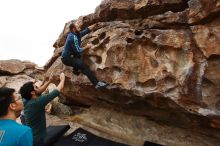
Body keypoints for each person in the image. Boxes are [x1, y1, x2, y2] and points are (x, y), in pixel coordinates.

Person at [19, 73, 65, 146]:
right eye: (35, 87)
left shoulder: (26, 98)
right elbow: (56, 91)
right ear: (32, 93)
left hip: (29, 130)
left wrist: (49, 81)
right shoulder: (37, 102)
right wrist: (62, 79)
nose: (38, 87)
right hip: (36, 138)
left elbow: (38, 91)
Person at [61, 22, 108, 89]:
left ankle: (75, 70)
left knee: (79, 56)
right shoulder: (73, 37)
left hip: (71, 54)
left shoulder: (76, 34)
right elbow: (78, 50)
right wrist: (87, 46)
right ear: (74, 29)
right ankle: (97, 84)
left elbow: (85, 31)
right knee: (84, 66)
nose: (79, 27)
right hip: (67, 59)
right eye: (77, 26)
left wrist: (95, 24)